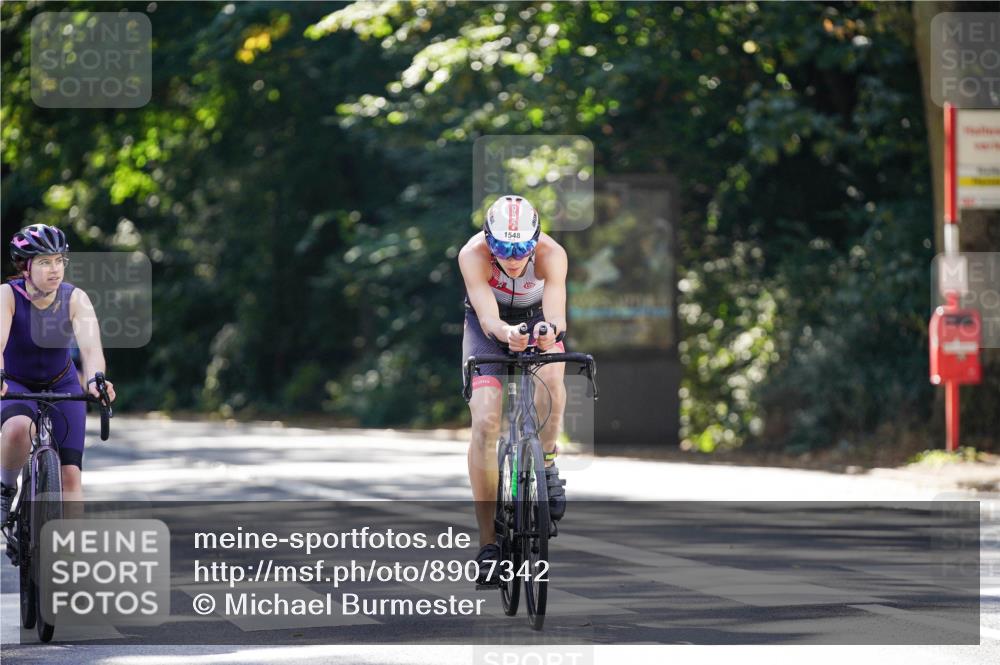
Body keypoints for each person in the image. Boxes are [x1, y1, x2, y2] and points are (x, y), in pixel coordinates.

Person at [458, 195, 568, 583]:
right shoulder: (472, 254)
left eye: (522, 246)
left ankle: (549, 463)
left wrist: (547, 332)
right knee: (486, 420)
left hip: (536, 320)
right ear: (488, 240)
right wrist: (506, 333)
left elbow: (555, 314)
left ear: (535, 239)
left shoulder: (552, 254)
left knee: (553, 377)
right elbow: (487, 315)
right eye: (502, 247)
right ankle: (489, 543)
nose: (513, 255)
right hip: (488, 329)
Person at [1, 224, 116, 528]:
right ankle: (5, 487)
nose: (54, 270)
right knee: (17, 429)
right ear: (25, 268)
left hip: (62, 382)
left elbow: (91, 351)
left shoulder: (75, 298)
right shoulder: (7, 296)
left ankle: (69, 552)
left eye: (58, 261)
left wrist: (95, 380)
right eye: (43, 262)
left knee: (70, 476)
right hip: (15, 382)